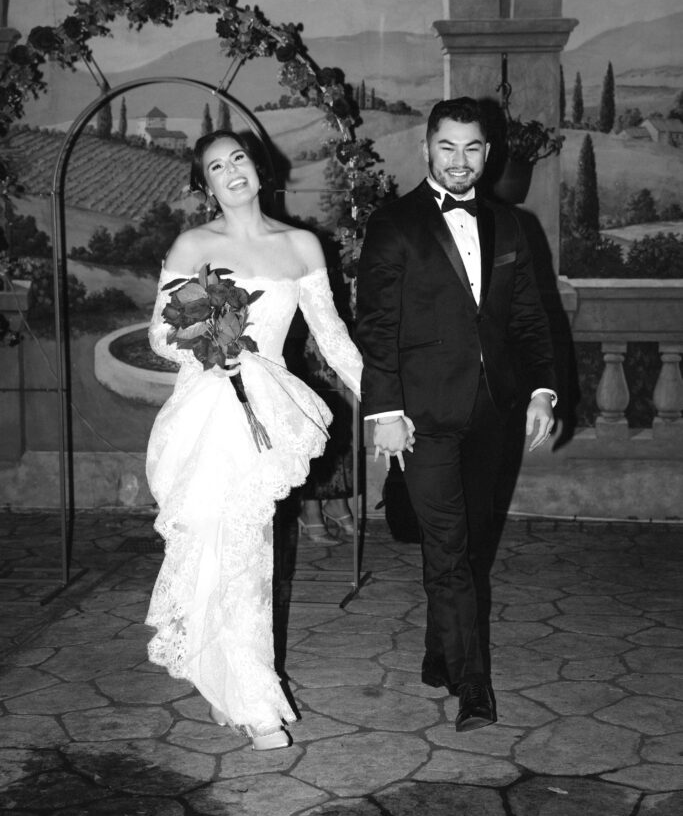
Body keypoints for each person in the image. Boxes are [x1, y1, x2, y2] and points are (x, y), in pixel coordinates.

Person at [145, 128, 362, 751]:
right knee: (211, 539)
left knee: (248, 546)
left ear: (257, 168)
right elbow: (161, 335)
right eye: (216, 166)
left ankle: (252, 698)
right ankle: (229, 682)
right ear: (206, 185)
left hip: (265, 410)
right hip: (206, 411)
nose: (230, 171)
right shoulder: (194, 243)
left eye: (238, 157)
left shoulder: (301, 246)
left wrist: (386, 404)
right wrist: (209, 340)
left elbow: (333, 337)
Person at [355, 96, 557, 732]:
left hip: (494, 415)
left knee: (473, 550)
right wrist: (384, 410)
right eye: (447, 147)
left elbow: (529, 317)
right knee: (448, 550)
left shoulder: (513, 225)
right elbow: (377, 326)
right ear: (426, 150)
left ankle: (440, 652)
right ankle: (474, 689)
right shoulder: (394, 223)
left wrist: (542, 392)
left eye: (472, 148)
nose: (460, 160)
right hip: (423, 417)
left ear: (487, 153)